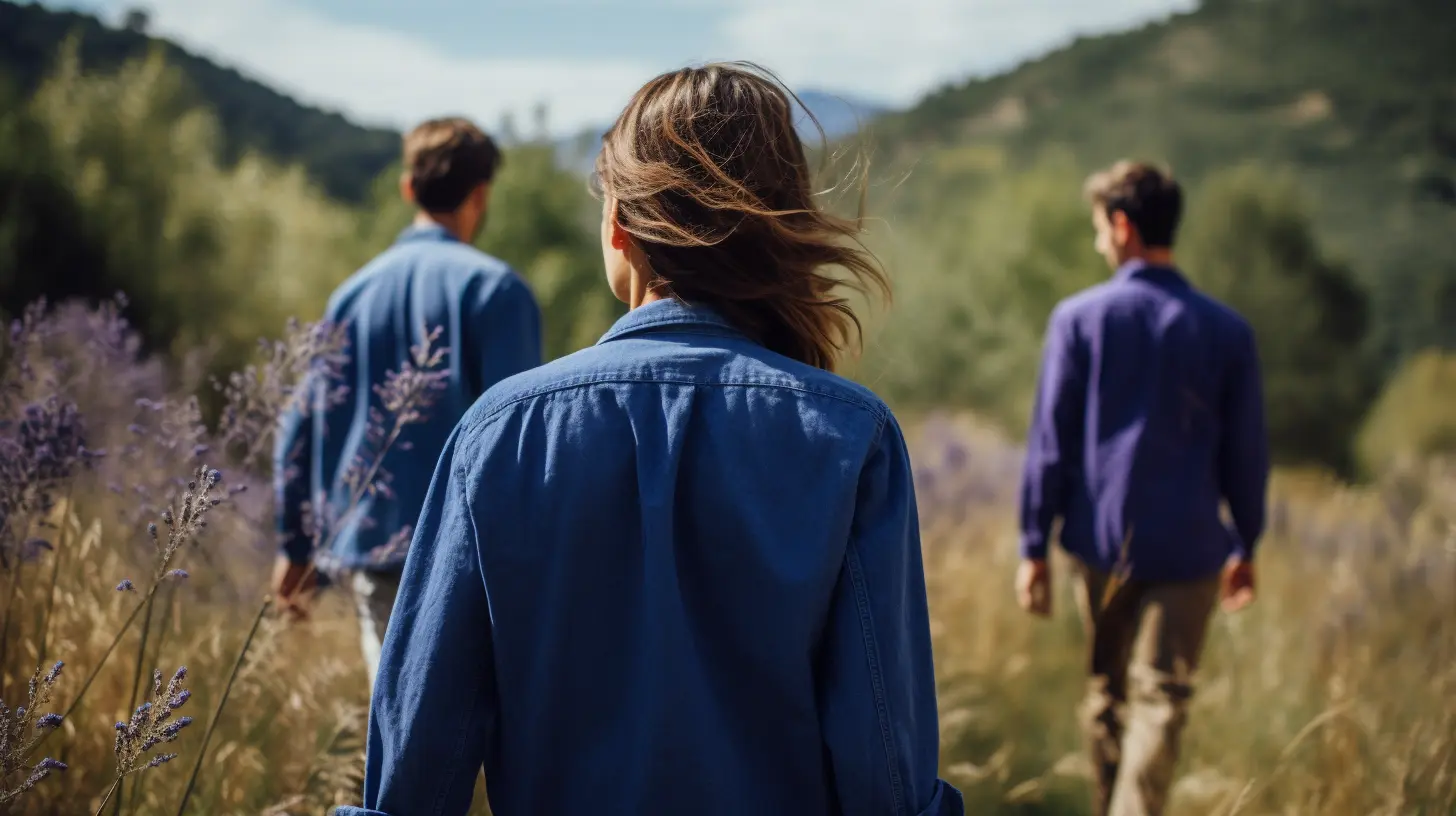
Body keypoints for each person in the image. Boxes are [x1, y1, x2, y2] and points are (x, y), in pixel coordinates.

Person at [335, 63, 962, 816]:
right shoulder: (849, 437)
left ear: (619, 225)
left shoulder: (496, 436)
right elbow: (885, 767)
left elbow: (420, 754)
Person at [1016, 161, 1270, 816]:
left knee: (1108, 698)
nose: (1100, 242)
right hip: (1190, 552)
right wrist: (1246, 541)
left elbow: (1050, 443)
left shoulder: (1078, 319)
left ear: (1123, 226)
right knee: (1163, 700)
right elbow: (1246, 454)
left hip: (1100, 546)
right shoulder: (1227, 331)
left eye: (1100, 228)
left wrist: (1033, 545)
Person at [273, 117, 542, 688]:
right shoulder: (497, 291)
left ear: (407, 188)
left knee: (397, 731)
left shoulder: (352, 294)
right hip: (471, 565)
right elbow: (519, 443)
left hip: (375, 552)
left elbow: (301, 424)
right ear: (480, 195)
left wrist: (295, 548)